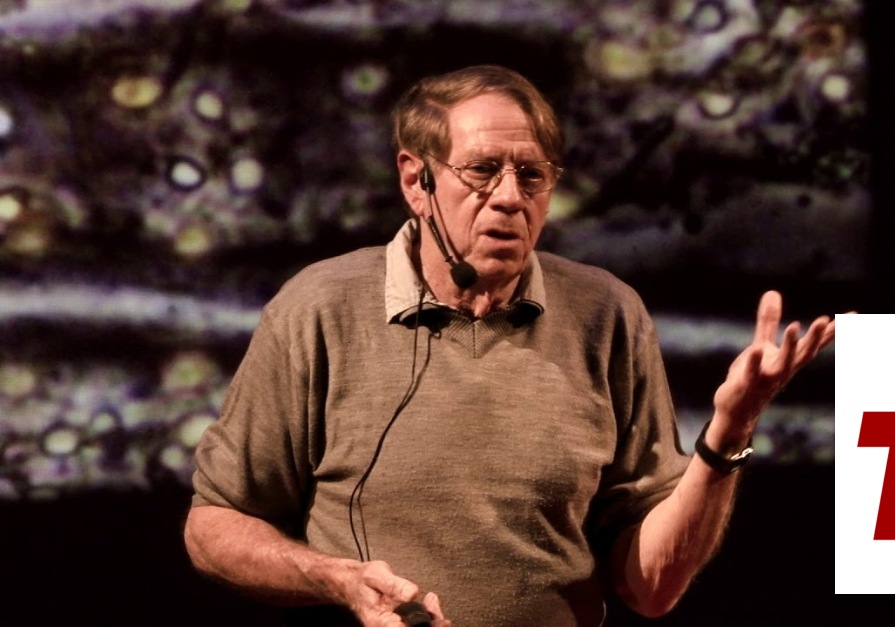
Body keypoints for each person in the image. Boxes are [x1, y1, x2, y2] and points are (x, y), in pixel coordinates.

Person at [184, 65, 837, 626]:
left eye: (531, 175)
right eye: (481, 171)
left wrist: (730, 429)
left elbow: (652, 589)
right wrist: (334, 578)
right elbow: (215, 524)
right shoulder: (319, 307)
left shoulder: (607, 314)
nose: (508, 198)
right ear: (416, 181)